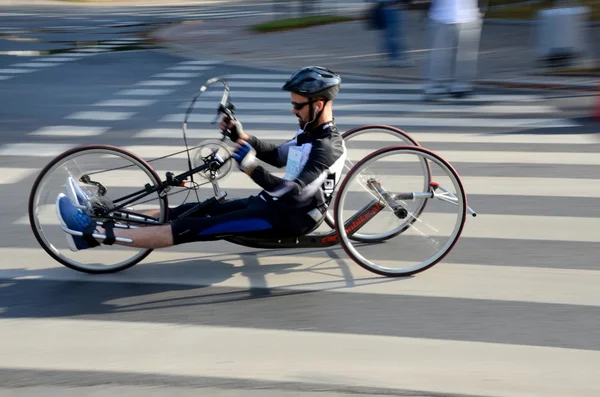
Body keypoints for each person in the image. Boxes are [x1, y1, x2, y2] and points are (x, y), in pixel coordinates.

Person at [56, 66, 347, 251]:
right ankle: (97, 219)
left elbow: (292, 192)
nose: (293, 111)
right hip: (269, 205)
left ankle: (91, 231)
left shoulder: (326, 147)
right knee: (191, 210)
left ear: (317, 104)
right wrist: (238, 135)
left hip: (287, 218)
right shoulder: (310, 134)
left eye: (297, 105)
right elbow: (280, 156)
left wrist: (250, 167)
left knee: (190, 229)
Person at [422, 0, 486, 100]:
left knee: (465, 55)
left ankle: (460, 85)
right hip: (443, 16)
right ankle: (436, 85)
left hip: (465, 15)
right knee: (440, 55)